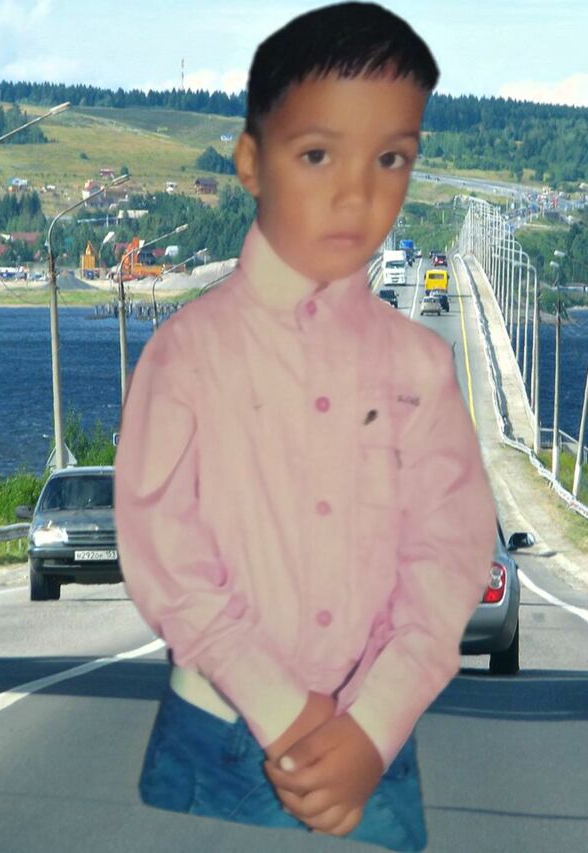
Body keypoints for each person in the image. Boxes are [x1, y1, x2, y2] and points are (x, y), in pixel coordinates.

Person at [114, 3, 496, 849]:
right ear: (252, 161)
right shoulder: (189, 353)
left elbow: (448, 557)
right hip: (216, 742)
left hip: (374, 754)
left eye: (391, 158)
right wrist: (288, 712)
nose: (357, 193)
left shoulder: (421, 368)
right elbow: (166, 556)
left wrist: (371, 725)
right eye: (318, 154)